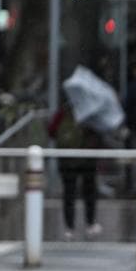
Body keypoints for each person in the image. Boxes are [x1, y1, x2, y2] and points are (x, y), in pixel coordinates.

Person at [48, 99, 103, 240]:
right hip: (88, 158)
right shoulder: (90, 112)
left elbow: (52, 131)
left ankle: (69, 228)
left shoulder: (63, 111)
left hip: (67, 159)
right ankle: (90, 224)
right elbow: (100, 132)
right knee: (89, 191)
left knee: (69, 193)